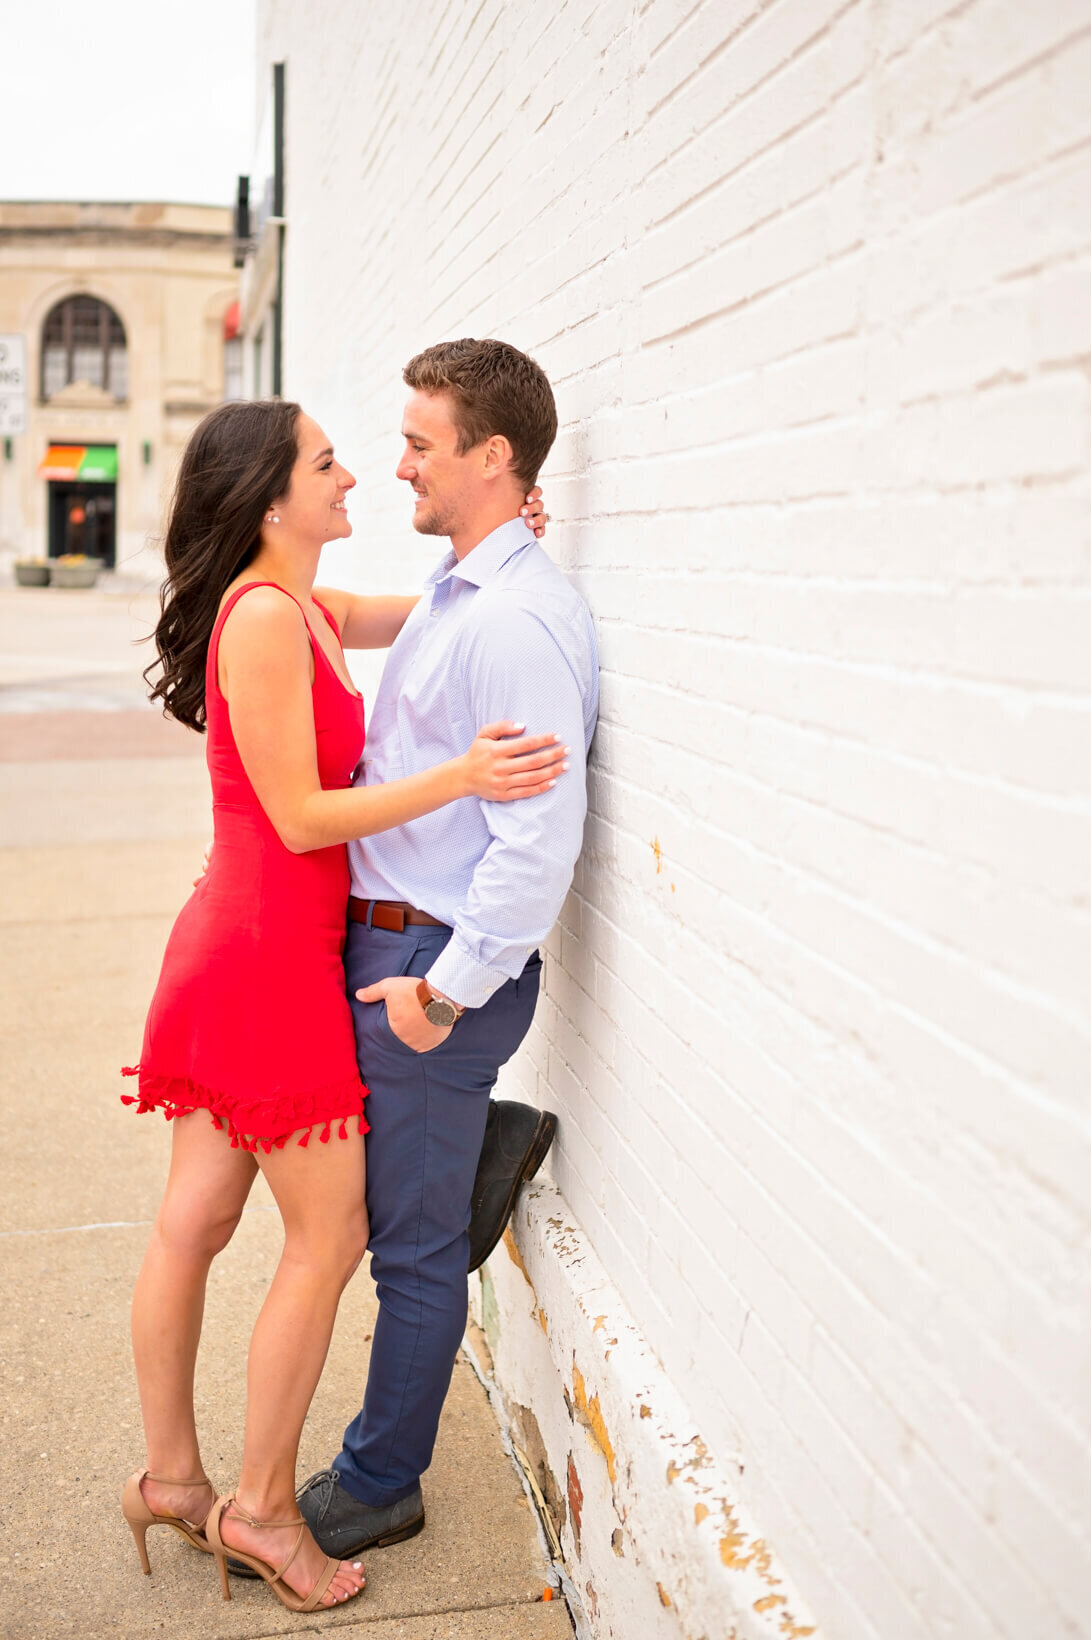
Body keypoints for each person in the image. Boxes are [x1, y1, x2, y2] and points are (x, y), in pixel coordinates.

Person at [119, 397, 563, 1613]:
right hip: (267, 964)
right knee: (323, 1240)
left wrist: (503, 532)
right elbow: (302, 817)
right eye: (326, 463)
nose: (353, 474)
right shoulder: (263, 620)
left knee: (196, 1222)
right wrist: (460, 775)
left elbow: (439, 607)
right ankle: (259, 1512)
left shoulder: (306, 608)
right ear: (271, 497)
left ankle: (171, 1478)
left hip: (237, 948)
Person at [294, 338, 598, 1564]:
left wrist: (439, 993)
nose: (397, 461)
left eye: (422, 442)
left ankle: (378, 1484)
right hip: (400, 955)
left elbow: (537, 844)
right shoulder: (459, 591)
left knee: (409, 1247)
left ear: (492, 456)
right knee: (393, 1214)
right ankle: (480, 1141)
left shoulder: (511, 620)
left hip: (426, 972)